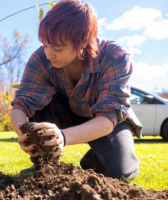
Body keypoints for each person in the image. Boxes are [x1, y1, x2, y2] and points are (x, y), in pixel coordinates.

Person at [10, 0, 142, 180]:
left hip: (106, 118)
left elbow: (108, 116)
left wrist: (62, 137)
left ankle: (96, 161)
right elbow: (22, 104)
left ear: (84, 42)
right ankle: (44, 165)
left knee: (119, 171)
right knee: (41, 102)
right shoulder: (40, 59)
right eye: (45, 45)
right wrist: (23, 132)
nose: (49, 54)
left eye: (58, 48)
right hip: (64, 110)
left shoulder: (115, 56)